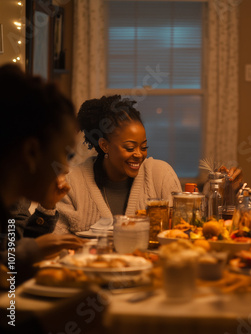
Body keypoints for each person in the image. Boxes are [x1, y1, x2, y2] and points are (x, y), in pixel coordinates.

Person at [0, 64, 105, 333]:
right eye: (66, 155)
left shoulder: (12, 204)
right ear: (32, 152)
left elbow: (8, 281)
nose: (67, 168)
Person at [54, 95, 182, 234]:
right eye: (130, 148)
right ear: (104, 145)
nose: (139, 154)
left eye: (144, 147)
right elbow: (56, 241)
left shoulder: (161, 176)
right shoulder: (73, 183)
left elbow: (181, 231)